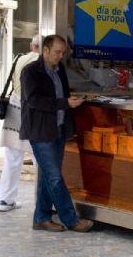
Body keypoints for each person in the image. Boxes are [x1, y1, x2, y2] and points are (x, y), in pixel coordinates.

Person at [20, 34, 93, 233]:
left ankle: (41, 218)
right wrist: (65, 103)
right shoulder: (30, 71)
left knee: (47, 177)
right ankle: (71, 219)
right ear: (45, 51)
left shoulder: (60, 70)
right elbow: (35, 101)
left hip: (58, 129)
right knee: (54, 178)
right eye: (57, 52)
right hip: (40, 131)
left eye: (63, 52)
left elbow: (62, 96)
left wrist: (71, 102)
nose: (61, 56)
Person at [0, 35, 41, 212]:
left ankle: (6, 200)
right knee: (41, 158)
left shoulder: (18, 58)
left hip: (15, 110)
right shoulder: (41, 61)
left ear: (32, 46)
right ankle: (42, 201)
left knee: (12, 158)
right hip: (34, 113)